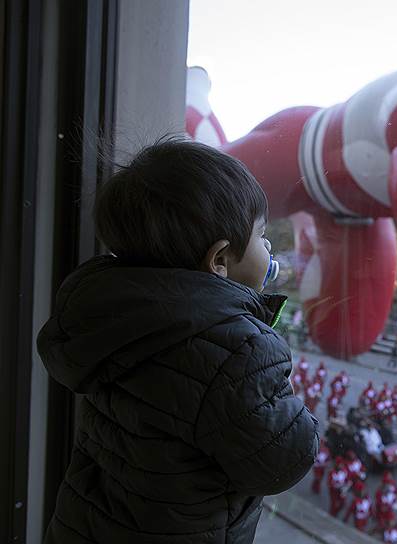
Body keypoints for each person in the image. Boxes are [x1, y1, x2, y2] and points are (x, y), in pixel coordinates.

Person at [35, 139, 319, 544]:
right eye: (261, 235)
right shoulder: (239, 350)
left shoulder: (109, 314)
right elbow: (281, 460)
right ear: (220, 260)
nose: (269, 246)